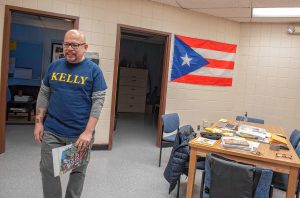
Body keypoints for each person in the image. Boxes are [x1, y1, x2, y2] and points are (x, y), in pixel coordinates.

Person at [34, 29, 107, 198]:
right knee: (48, 169)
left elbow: (98, 102)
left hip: (80, 135)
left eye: (75, 44)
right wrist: (38, 122)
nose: (69, 48)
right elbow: (44, 93)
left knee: (77, 172)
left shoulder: (94, 71)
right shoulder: (54, 66)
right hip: (52, 130)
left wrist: (88, 132)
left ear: (85, 47)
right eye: (66, 44)